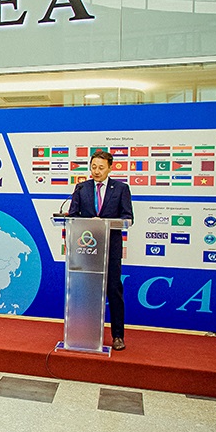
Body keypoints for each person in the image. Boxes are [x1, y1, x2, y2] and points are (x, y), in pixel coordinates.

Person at [67, 149, 134, 351]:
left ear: (110, 168)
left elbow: (128, 218)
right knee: (86, 292)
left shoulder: (121, 188)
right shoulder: (81, 188)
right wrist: (88, 222)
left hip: (110, 249)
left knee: (113, 290)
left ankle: (118, 336)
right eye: (93, 167)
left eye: (101, 168)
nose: (96, 171)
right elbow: (73, 215)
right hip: (86, 250)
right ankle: (84, 334)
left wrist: (104, 223)